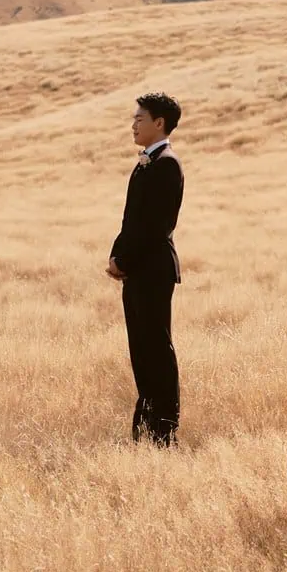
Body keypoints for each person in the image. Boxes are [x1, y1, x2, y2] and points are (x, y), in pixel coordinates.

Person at [107, 92, 185, 444]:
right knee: (141, 350)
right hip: (138, 270)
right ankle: (145, 430)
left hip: (153, 270)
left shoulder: (166, 164)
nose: (133, 125)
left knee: (156, 349)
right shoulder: (146, 163)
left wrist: (124, 261)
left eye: (140, 118)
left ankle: (164, 430)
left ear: (159, 123)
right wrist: (116, 256)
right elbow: (130, 221)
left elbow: (156, 227)